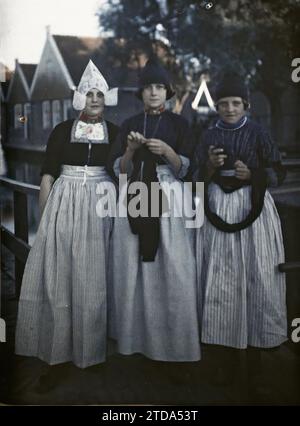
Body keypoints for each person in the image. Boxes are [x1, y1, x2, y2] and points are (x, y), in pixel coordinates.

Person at [15, 61, 119, 390]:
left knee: (94, 277)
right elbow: (47, 174)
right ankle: (56, 357)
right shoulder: (61, 130)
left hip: (102, 204)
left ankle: (91, 355)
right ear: (79, 99)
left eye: (99, 94)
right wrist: (45, 218)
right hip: (65, 202)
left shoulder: (114, 133)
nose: (94, 99)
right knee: (61, 277)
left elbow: (122, 173)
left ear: (106, 99)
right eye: (89, 94)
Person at [194, 72, 287, 392]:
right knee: (222, 281)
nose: (230, 109)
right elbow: (193, 177)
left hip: (253, 209)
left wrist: (255, 173)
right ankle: (225, 359)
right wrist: (208, 166)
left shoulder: (259, 132)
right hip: (218, 208)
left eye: (236, 103)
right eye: (223, 104)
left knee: (255, 277)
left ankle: (256, 359)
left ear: (246, 105)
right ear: (216, 107)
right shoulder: (207, 135)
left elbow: (279, 172)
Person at [108, 59, 202, 366]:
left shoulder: (181, 125)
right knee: (135, 268)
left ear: (168, 92)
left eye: (159, 87)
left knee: (172, 269)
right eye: (148, 87)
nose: (153, 93)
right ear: (141, 92)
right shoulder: (128, 124)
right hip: (135, 194)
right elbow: (119, 172)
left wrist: (171, 154)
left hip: (170, 198)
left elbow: (190, 172)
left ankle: (174, 349)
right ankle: (138, 344)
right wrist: (131, 151)